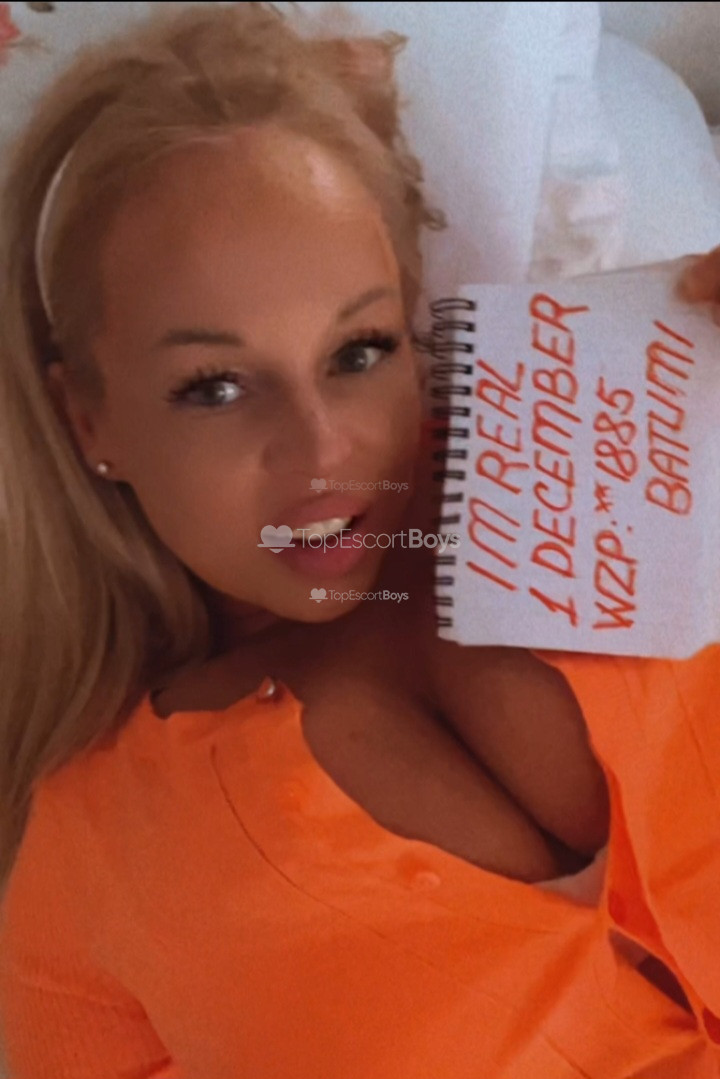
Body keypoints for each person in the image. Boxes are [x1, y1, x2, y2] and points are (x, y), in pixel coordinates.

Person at [0, 4, 719, 1075]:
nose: (321, 448)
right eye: (214, 385)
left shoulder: (624, 443)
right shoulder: (85, 860)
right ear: (88, 419)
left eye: (358, 349)